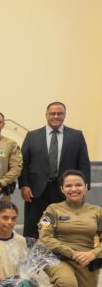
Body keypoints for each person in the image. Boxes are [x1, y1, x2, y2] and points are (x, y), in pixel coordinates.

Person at [20, 102, 91, 239]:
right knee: (33, 227)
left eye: (60, 113)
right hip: (36, 190)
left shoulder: (76, 136)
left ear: (65, 115)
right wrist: (24, 185)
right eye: (52, 113)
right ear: (46, 115)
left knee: (64, 225)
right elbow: (23, 163)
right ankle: (32, 257)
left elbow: (83, 163)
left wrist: (84, 187)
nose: (56, 116)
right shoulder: (32, 136)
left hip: (65, 189)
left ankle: (63, 255)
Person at [39, 170, 102, 287]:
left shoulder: (97, 211)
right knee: (67, 283)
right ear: (62, 189)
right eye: (68, 185)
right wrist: (72, 253)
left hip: (86, 261)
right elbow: (45, 237)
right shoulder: (52, 209)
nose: (74, 189)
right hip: (57, 258)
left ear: (86, 186)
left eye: (78, 185)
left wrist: (93, 253)